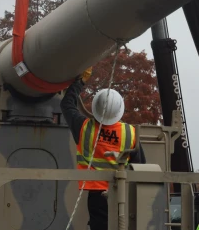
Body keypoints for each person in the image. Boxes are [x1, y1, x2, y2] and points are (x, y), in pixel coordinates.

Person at [61, 67, 146, 230]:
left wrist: (80, 82)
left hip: (97, 193)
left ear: (95, 108)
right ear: (119, 109)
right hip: (122, 191)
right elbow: (140, 165)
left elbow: (66, 104)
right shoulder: (130, 132)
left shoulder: (83, 127)